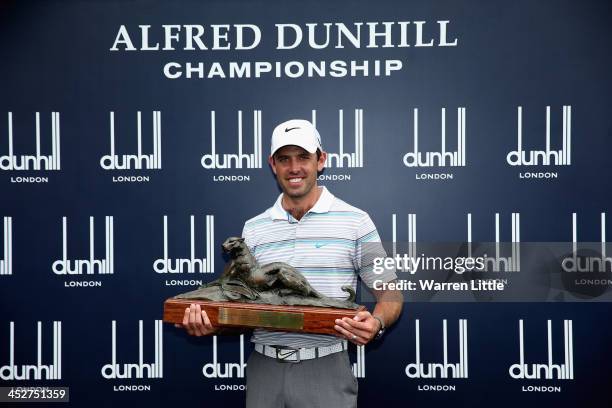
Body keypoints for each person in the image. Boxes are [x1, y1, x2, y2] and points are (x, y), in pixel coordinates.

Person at [176, 119, 402, 407]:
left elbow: (391, 293)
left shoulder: (356, 221)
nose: (294, 168)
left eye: (303, 157)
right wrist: (213, 325)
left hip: (326, 369)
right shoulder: (254, 229)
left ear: (321, 160)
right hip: (264, 370)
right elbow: (246, 311)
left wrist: (377, 322)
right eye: (284, 159)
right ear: (273, 164)